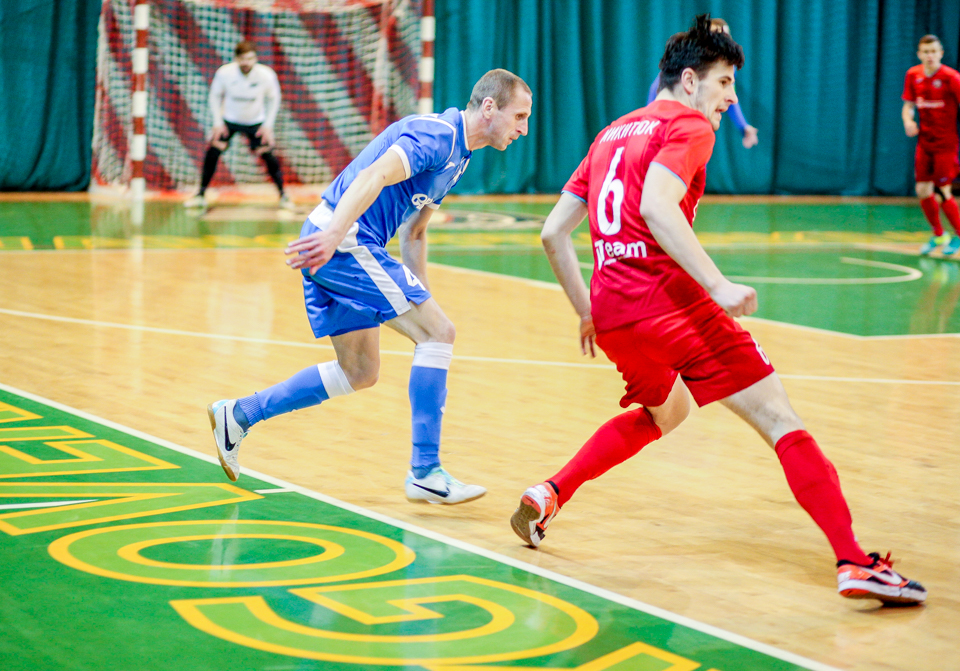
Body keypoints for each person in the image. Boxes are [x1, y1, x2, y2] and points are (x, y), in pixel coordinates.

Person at [510, 15, 926, 605]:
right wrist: (717, 283)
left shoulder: (611, 133)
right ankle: (855, 562)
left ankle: (551, 492)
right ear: (689, 81)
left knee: (665, 413)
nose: (731, 98)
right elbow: (657, 206)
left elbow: (553, 233)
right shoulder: (686, 124)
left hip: (616, 314)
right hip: (670, 306)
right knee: (780, 420)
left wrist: (588, 311)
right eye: (725, 82)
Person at [208, 69, 532, 505]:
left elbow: (415, 232)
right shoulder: (437, 135)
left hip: (340, 239)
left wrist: (423, 298)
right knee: (440, 334)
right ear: (489, 107)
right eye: (520, 116)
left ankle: (239, 415)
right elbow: (373, 175)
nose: (523, 129)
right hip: (345, 240)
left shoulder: (460, 156)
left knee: (360, 371)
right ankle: (425, 471)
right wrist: (333, 235)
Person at [184, 41, 292, 210]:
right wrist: (217, 123)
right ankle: (200, 195)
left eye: (250, 58)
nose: (246, 63)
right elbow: (214, 96)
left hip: (255, 122)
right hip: (230, 121)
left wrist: (268, 125)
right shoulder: (225, 73)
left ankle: (283, 196)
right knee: (213, 151)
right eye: (243, 59)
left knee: (268, 154)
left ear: (255, 59)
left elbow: (274, 98)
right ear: (236, 59)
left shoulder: (266, 75)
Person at [646, 18, 758, 149]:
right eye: (718, 35)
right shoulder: (688, 61)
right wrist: (648, 122)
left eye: (726, 36)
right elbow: (656, 88)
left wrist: (743, 126)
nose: (723, 40)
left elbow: (730, 99)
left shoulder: (729, 69)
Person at [902, 34, 960, 255]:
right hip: (924, 143)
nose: (930, 56)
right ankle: (939, 235)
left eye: (934, 51)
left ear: (941, 53)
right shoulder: (913, 75)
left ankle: (959, 235)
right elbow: (908, 105)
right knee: (922, 189)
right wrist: (908, 121)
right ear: (919, 54)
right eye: (926, 52)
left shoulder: (951, 77)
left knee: (942, 190)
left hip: (946, 144)